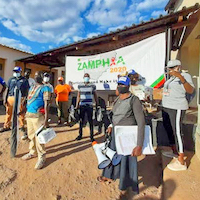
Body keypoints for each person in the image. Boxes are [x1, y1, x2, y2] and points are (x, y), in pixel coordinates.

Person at [98, 76, 145, 198]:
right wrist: (111, 126)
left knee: (126, 160)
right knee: (111, 155)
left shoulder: (134, 100)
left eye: (122, 84)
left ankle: (125, 186)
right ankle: (109, 175)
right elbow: (114, 116)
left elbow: (141, 122)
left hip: (127, 135)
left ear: (128, 86)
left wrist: (139, 144)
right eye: (119, 84)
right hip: (115, 133)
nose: (120, 86)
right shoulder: (118, 99)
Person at [162, 59, 194, 171]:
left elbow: (190, 90)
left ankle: (181, 160)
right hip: (167, 107)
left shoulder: (185, 76)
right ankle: (174, 151)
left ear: (178, 67)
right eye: (168, 69)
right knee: (169, 128)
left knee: (177, 132)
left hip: (177, 107)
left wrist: (180, 77)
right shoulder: (171, 79)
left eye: (172, 68)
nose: (170, 70)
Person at [21, 71, 51, 170]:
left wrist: (46, 120)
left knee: (39, 137)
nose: (36, 76)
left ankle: (42, 156)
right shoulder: (32, 87)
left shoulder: (46, 88)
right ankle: (32, 152)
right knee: (31, 135)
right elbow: (28, 100)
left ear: (42, 77)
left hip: (38, 116)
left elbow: (47, 104)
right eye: (36, 75)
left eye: (39, 75)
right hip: (29, 115)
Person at [0, 67, 29, 140]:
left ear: (20, 72)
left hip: (21, 98)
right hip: (11, 97)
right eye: (15, 71)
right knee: (8, 112)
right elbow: (8, 89)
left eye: (17, 71)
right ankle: (6, 126)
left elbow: (27, 90)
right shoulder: (10, 79)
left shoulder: (24, 80)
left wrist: (25, 99)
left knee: (21, 114)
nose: (16, 72)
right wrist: (5, 99)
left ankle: (22, 127)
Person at [75, 73, 98, 142]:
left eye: (87, 76)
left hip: (89, 105)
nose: (86, 78)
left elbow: (95, 95)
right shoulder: (80, 86)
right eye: (85, 76)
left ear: (89, 78)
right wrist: (77, 105)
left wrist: (97, 104)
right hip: (82, 105)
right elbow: (78, 96)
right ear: (83, 78)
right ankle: (80, 135)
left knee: (90, 121)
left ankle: (91, 136)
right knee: (81, 121)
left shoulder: (93, 86)